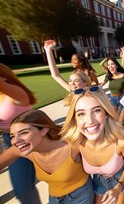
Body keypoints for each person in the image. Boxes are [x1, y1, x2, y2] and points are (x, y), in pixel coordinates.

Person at [0, 110, 94, 204]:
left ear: (44, 130)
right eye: (12, 136)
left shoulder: (71, 145)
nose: (15, 141)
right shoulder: (25, 150)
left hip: (81, 197)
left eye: (24, 133)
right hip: (54, 199)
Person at [61, 86, 124, 204]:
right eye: (81, 114)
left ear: (106, 113)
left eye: (96, 110)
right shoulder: (76, 144)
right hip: (98, 184)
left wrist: (118, 188)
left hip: (121, 182)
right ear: (75, 119)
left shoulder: (121, 141)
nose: (90, 121)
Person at [0, 63, 40, 203]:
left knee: (59, 177)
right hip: (11, 141)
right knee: (22, 190)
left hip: (35, 138)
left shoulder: (16, 93)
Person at [44, 40, 91, 106]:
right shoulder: (73, 92)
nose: (72, 84)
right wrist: (48, 50)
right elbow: (55, 75)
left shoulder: (91, 97)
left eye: (76, 81)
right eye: (70, 81)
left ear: (85, 83)